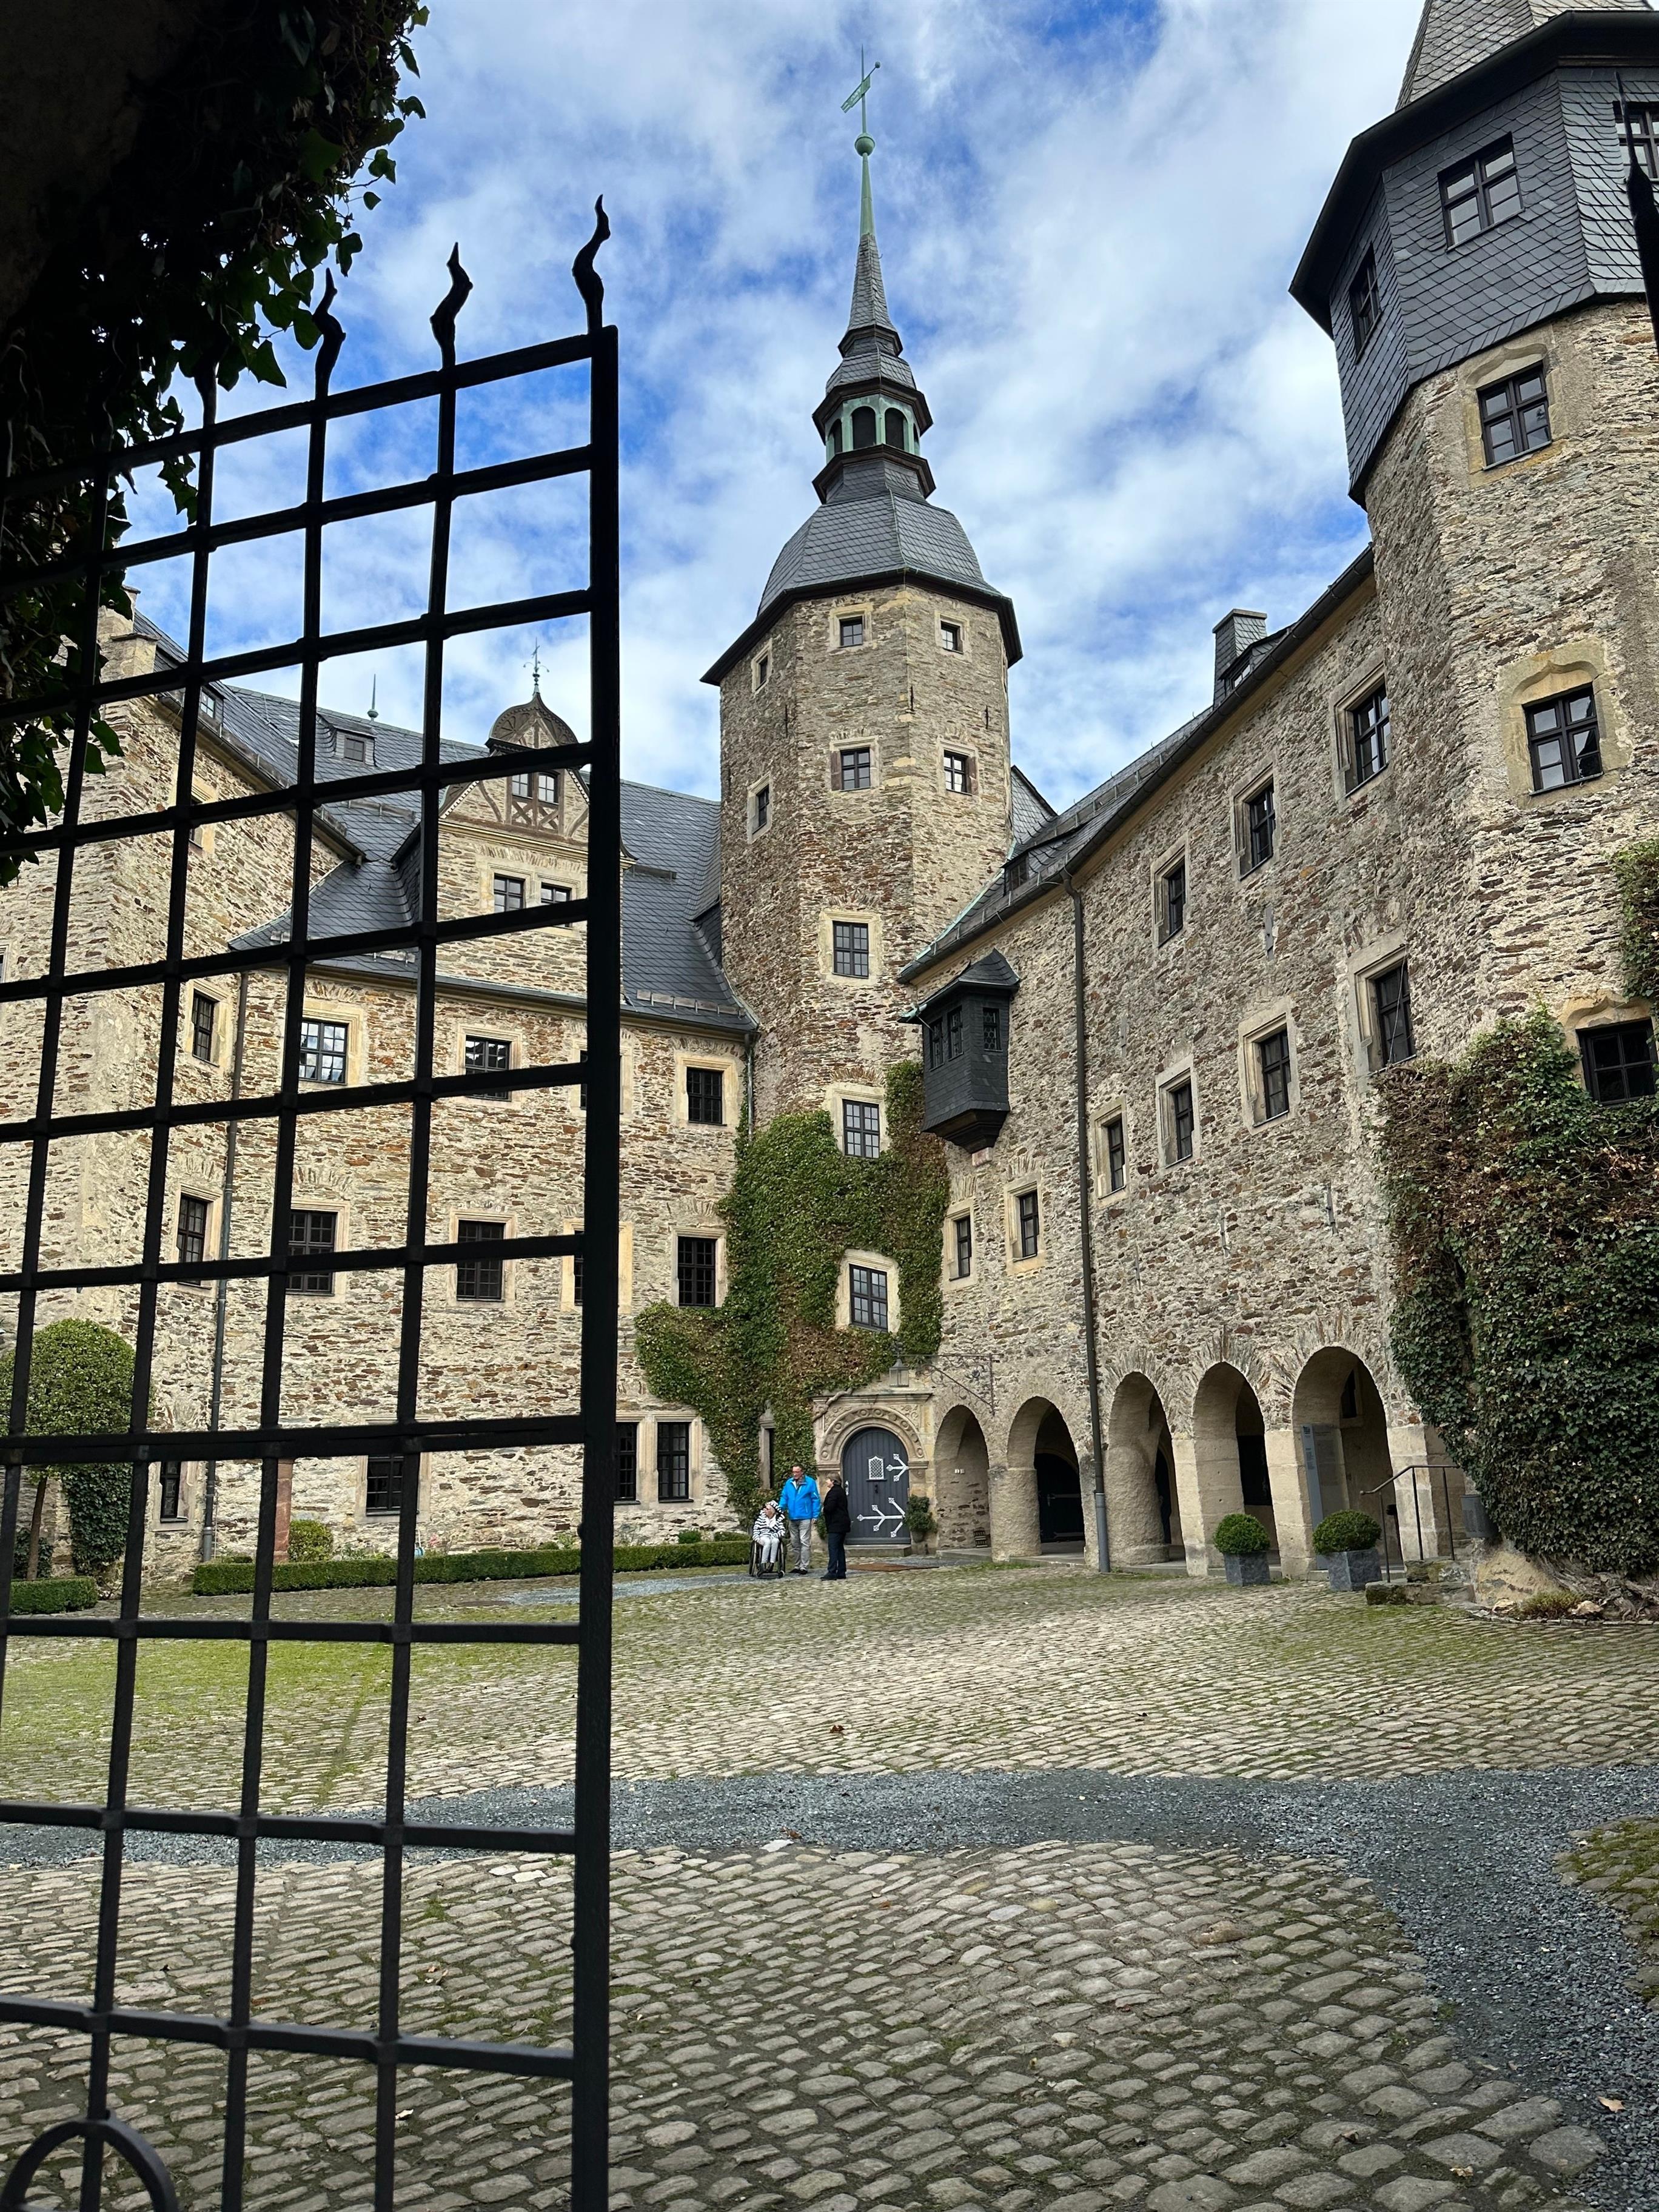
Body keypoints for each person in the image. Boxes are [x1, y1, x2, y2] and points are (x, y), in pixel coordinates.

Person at [777, 1463, 820, 1574]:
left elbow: (815, 1499)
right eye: (794, 1472)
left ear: (802, 1472)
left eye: (797, 1472)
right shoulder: (789, 1483)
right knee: (795, 1543)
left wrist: (815, 1515)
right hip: (793, 1517)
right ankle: (797, 1565)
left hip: (805, 1517)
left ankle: (804, 1566)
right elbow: (784, 1497)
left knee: (804, 1541)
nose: (795, 1474)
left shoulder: (810, 1482)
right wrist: (780, 1508)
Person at [821, 1470, 851, 1581]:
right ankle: (841, 1571)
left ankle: (832, 1571)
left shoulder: (834, 1492)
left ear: (833, 1481)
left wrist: (824, 1509)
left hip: (836, 1524)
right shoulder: (841, 1491)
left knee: (833, 1548)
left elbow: (831, 1507)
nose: (826, 1482)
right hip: (842, 1524)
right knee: (839, 1548)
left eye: (828, 1480)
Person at [750, 1498, 785, 1577]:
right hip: (763, 1536)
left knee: (776, 1541)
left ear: (772, 1511)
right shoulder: (761, 1519)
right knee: (767, 1542)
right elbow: (756, 1529)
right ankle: (763, 1565)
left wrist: (775, 1535)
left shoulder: (778, 1520)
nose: (765, 1510)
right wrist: (757, 1538)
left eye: (767, 1509)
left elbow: (782, 1531)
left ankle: (771, 1564)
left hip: (773, 1536)